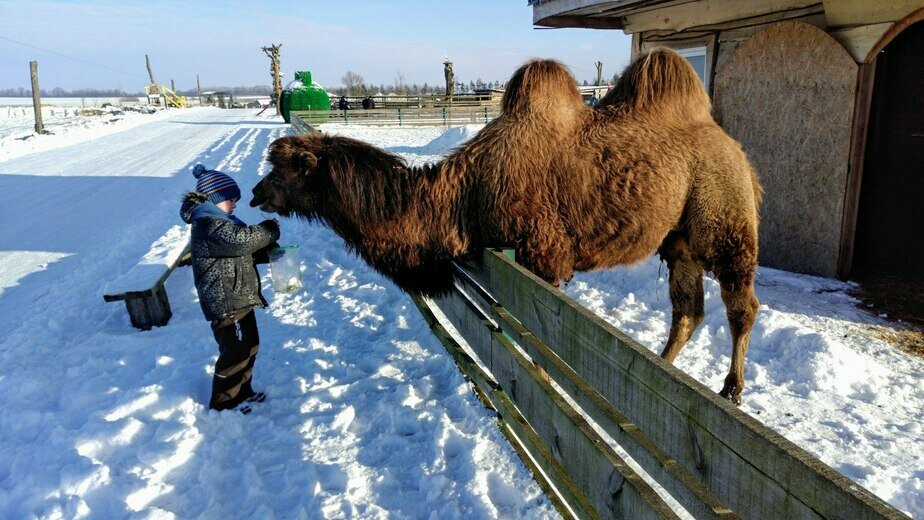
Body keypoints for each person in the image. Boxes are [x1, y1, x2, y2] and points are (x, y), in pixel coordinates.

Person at [180, 164, 280, 414]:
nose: (235, 205)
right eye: (230, 200)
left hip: (240, 297)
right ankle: (224, 403)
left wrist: (267, 253)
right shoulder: (208, 224)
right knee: (235, 354)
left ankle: (242, 391)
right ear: (215, 200)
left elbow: (242, 251)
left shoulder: (222, 222)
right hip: (225, 303)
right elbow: (239, 242)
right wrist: (268, 230)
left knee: (250, 347)